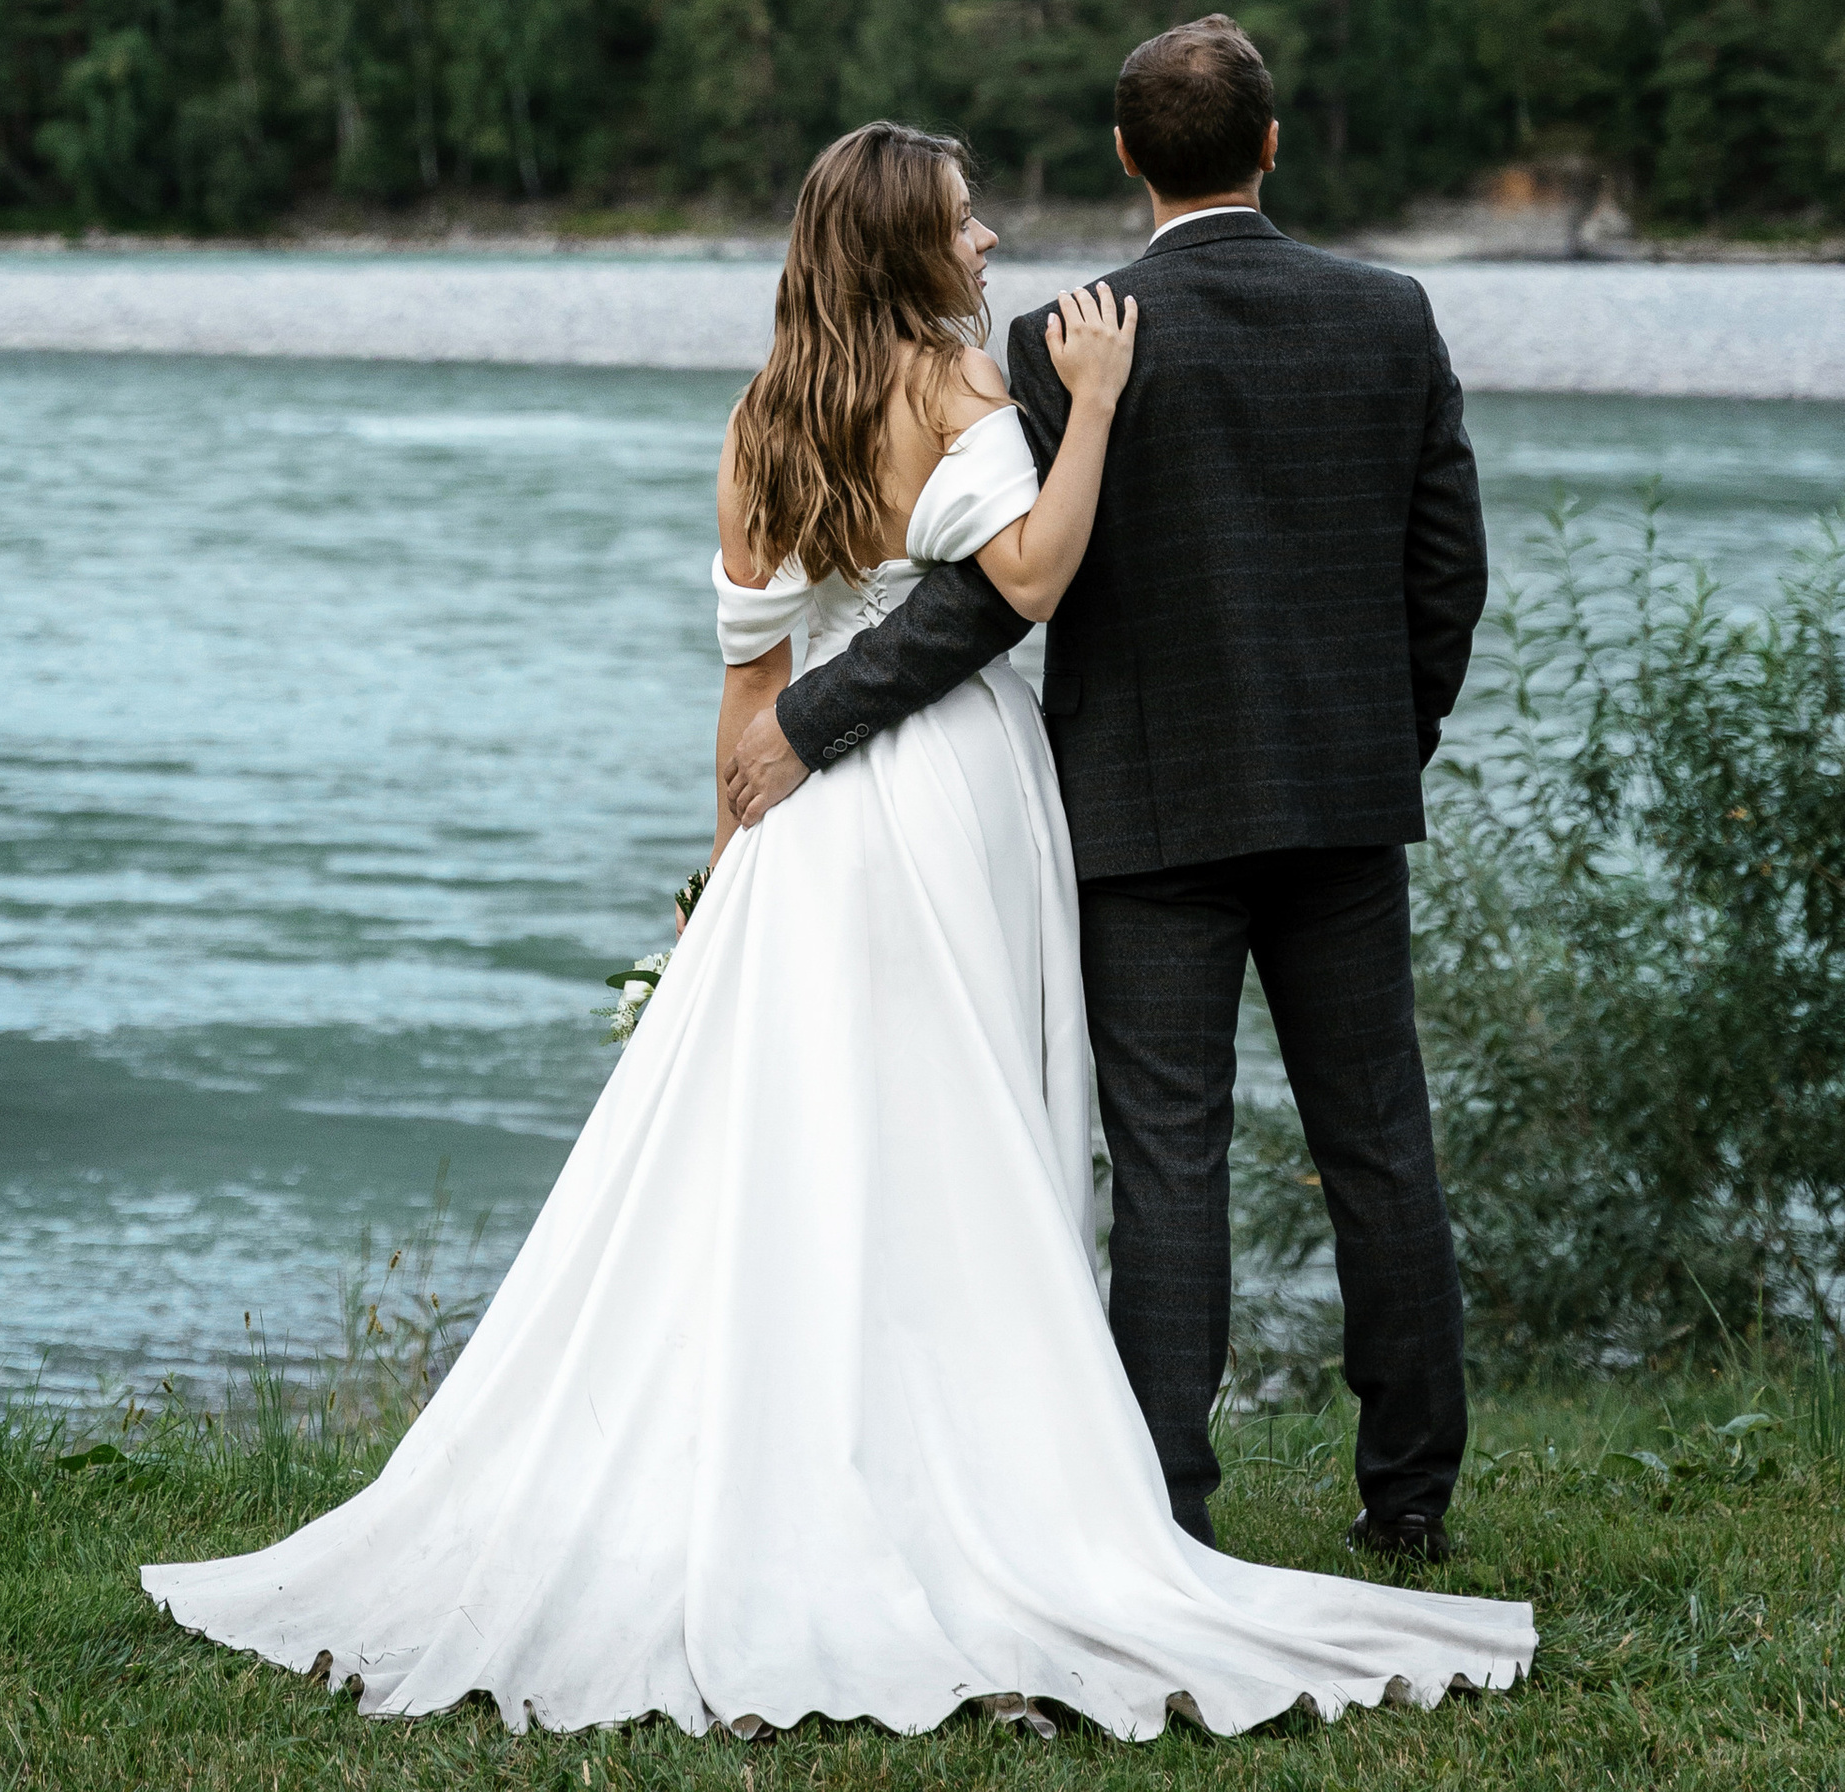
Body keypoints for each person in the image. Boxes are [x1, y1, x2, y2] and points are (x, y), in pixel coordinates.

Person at [142, 114, 1531, 1739]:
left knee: (826, 1155)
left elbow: (746, 695)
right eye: (963, 216)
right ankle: (1297, 1499)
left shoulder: (760, 421)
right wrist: (1090, 421)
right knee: (1006, 1149)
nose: (992, 236)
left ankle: (914, 1471)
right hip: (963, 806)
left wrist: (720, 874)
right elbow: (1030, 579)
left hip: (808, 831)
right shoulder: (989, 384)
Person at [728, 17, 1489, 1564]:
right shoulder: (1392, 314)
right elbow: (1445, 581)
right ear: (1274, 144)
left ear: (1129, 157)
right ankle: (1408, 1503)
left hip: (1144, 820)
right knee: (1382, 1148)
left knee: (1167, 1159)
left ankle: (1171, 1510)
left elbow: (991, 601)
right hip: (1344, 808)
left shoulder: (1069, 334)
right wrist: (1374, 754)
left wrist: (813, 714)